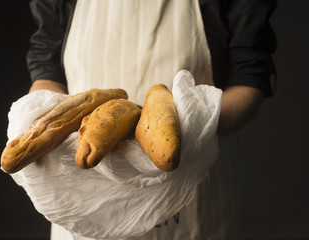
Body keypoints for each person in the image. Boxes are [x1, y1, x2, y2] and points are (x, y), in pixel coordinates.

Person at [26, 0, 277, 239]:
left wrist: (192, 127)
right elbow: (47, 73)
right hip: (86, 190)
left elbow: (248, 82)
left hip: (196, 198)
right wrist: (43, 125)